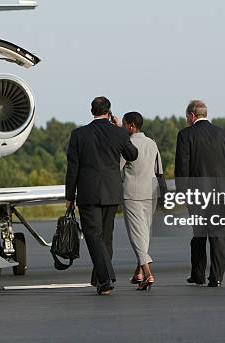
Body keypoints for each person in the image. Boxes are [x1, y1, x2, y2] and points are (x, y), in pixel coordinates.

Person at [65, 96, 138, 295]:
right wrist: (121, 131)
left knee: (93, 235)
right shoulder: (119, 133)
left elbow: (73, 168)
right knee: (106, 237)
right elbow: (132, 155)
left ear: (92, 111)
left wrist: (69, 195)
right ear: (109, 111)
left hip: (88, 192)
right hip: (112, 191)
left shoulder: (79, 134)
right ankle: (101, 279)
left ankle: (105, 278)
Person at [174, 100, 225, 287]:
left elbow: (182, 166)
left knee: (199, 234)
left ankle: (198, 275)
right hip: (220, 192)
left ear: (192, 115)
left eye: (187, 116)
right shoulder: (222, 133)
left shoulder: (185, 135)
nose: (186, 120)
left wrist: (182, 192)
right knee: (218, 235)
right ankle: (216, 276)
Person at [120, 111, 163, 291]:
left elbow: (118, 168)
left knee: (136, 235)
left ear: (131, 126)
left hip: (132, 193)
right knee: (144, 232)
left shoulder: (127, 144)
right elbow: (158, 169)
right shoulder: (151, 143)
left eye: (123, 124)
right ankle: (138, 273)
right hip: (151, 192)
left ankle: (147, 273)